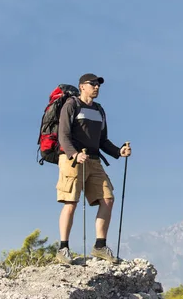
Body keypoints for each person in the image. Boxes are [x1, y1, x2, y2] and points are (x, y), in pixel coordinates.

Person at [55, 73, 131, 264]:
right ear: (82, 86)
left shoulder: (99, 110)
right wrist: (74, 154)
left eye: (98, 84)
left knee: (107, 198)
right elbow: (63, 136)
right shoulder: (71, 105)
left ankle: (99, 245)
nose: (97, 87)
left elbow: (102, 140)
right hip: (72, 159)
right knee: (71, 202)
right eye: (93, 84)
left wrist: (118, 151)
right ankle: (63, 248)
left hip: (94, 160)